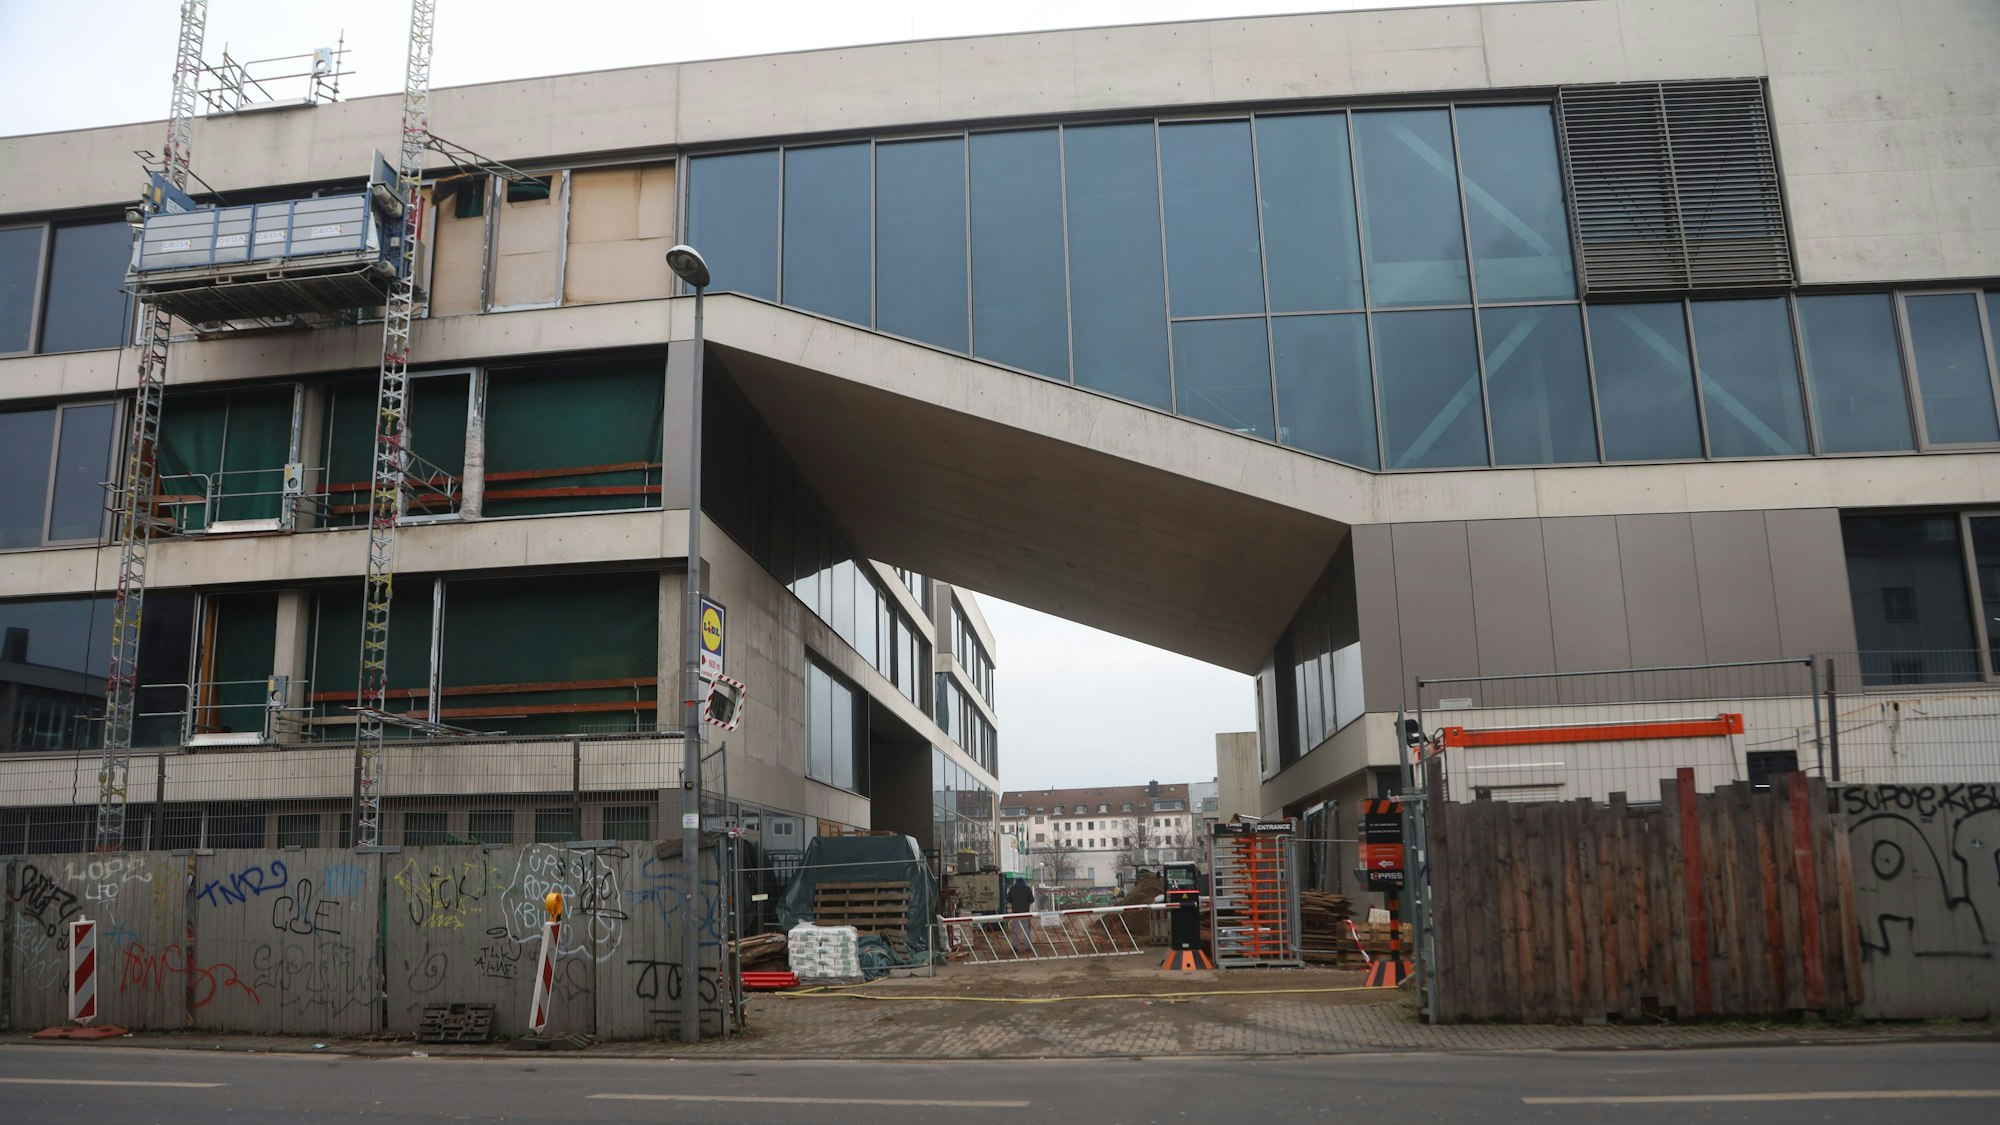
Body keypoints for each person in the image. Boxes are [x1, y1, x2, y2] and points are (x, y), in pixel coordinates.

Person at [1005, 877, 1036, 953]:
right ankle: (1028, 946)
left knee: (1016, 929)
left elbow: (1008, 899)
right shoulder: (1027, 889)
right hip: (1025, 912)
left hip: (1016, 912)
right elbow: (1032, 899)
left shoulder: (1012, 889)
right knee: (1026, 929)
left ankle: (1015, 946)